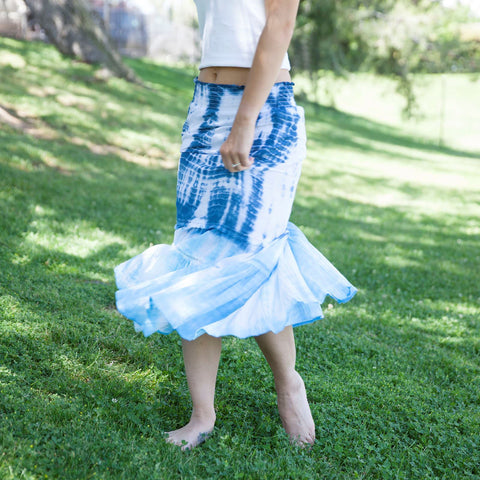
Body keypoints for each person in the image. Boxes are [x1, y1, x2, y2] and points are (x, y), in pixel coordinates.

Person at [114, 0, 357, 450]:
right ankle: (201, 417)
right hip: (206, 109)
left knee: (252, 255)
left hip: (264, 113)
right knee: (198, 259)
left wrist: (244, 121)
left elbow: (280, 24)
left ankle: (288, 384)